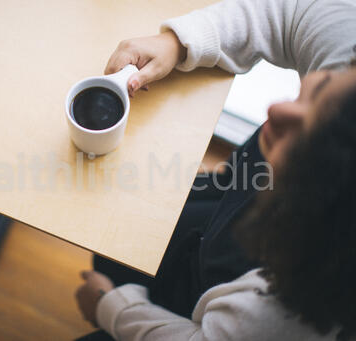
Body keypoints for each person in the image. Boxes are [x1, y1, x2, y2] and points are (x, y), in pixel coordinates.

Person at [75, 0, 356, 339]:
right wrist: (177, 43)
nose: (277, 110)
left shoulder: (294, 308)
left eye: (306, 148)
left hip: (209, 297)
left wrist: (110, 306)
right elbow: (293, 12)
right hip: (226, 200)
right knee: (113, 249)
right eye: (321, 87)